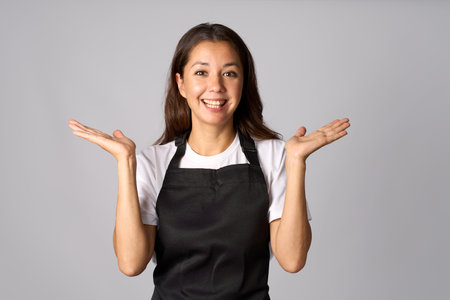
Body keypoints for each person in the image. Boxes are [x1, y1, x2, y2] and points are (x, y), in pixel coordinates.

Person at [68, 23, 350, 299]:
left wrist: (297, 161)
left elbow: (292, 260)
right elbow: (131, 264)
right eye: (201, 72)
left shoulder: (275, 156)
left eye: (229, 73)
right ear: (181, 83)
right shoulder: (153, 162)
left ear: (244, 82)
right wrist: (126, 162)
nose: (215, 86)